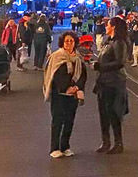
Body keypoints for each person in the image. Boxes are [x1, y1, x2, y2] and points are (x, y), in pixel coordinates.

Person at [43, 31, 87, 158]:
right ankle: (54, 148)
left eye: (71, 41)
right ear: (62, 42)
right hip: (59, 94)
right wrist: (67, 87)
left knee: (69, 121)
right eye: (66, 41)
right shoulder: (56, 56)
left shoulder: (78, 58)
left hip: (72, 96)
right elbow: (54, 75)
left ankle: (65, 146)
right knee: (58, 120)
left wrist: (77, 87)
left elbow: (83, 75)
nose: (69, 43)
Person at [93, 15, 129, 154]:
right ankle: (106, 141)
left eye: (108, 24)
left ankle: (118, 142)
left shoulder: (119, 42)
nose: (106, 26)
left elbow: (120, 62)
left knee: (113, 112)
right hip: (103, 82)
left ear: (113, 27)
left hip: (114, 82)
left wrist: (100, 67)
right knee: (103, 113)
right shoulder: (108, 41)